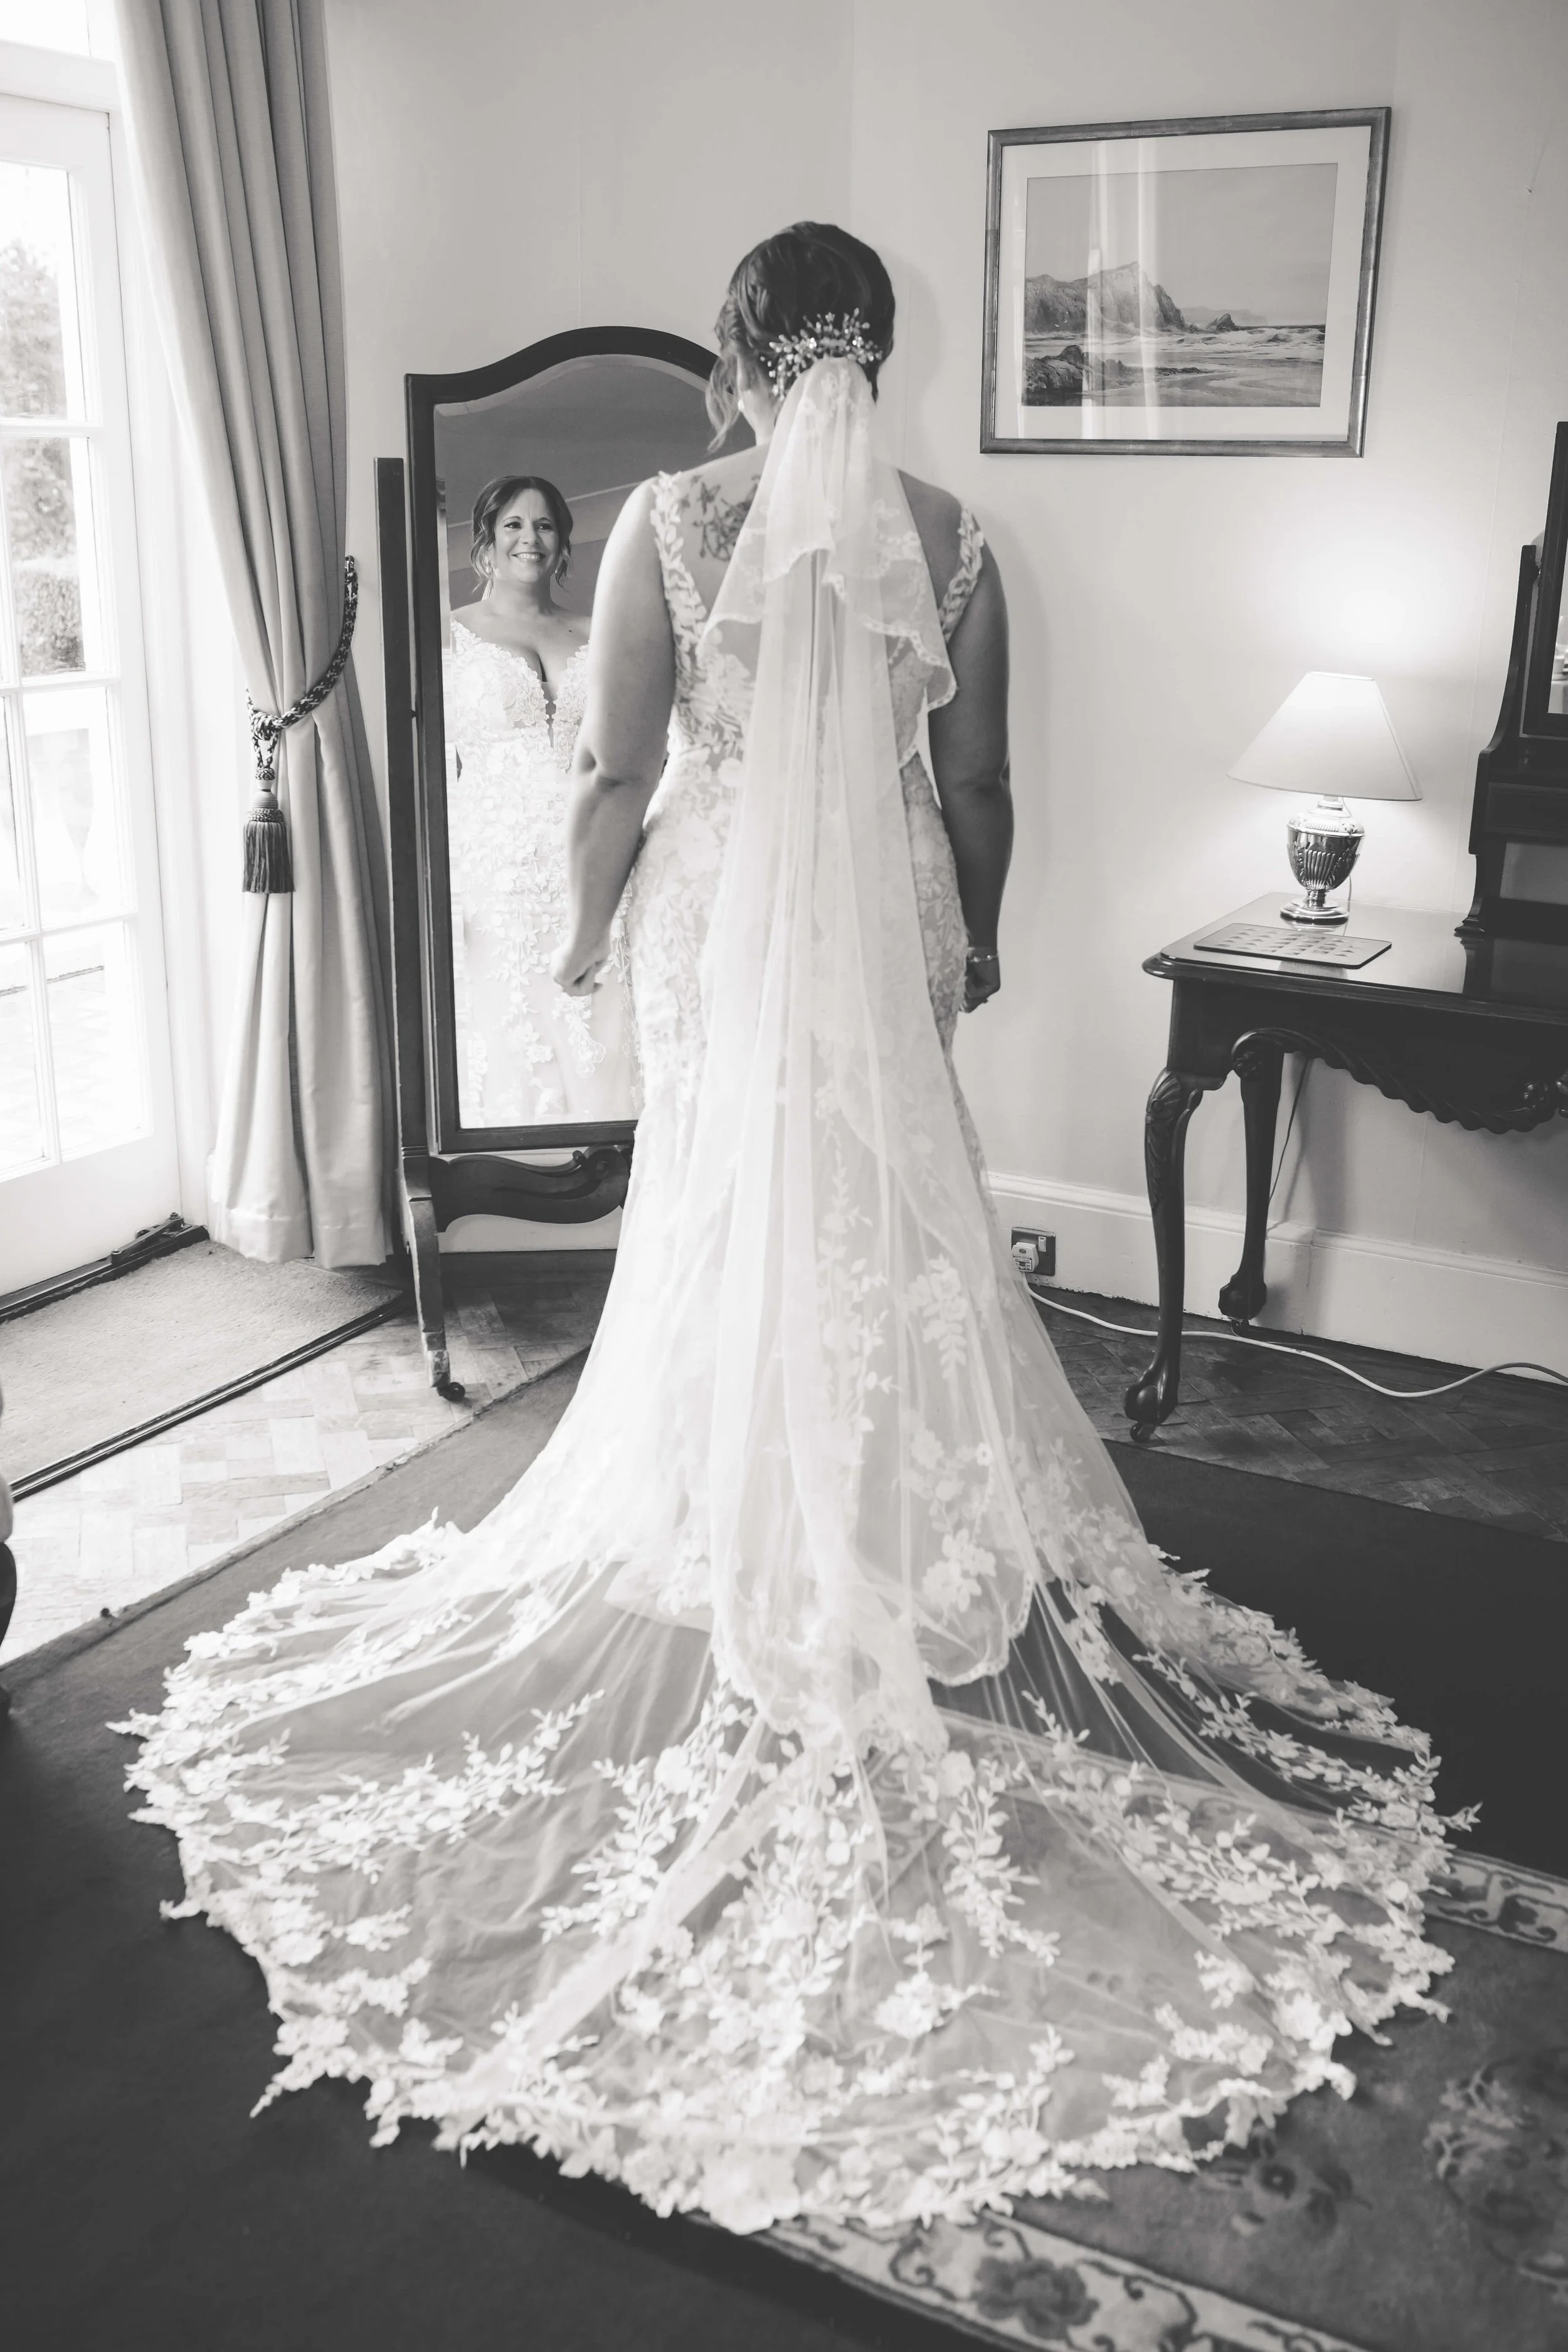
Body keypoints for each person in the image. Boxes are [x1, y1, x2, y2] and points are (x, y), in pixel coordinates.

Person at [122, 224, 1456, 2239]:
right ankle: (888, 1515)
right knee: (881, 1204)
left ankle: (736, 1501)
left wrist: (585, 926)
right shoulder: (957, 536)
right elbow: (976, 780)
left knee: (732, 1197)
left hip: (721, 905)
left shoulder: (671, 516)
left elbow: (616, 762)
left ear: (734, 352)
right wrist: (973, 933)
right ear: (881, 351)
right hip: (884, 895)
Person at [445, 474, 638, 1124]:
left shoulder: (599, 632)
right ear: (486, 541)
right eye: (513, 525)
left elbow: (631, 747)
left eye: (545, 525)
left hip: (594, 853)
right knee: (510, 1023)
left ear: (563, 543)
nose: (530, 538)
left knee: (604, 1025)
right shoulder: (448, 636)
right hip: (495, 867)